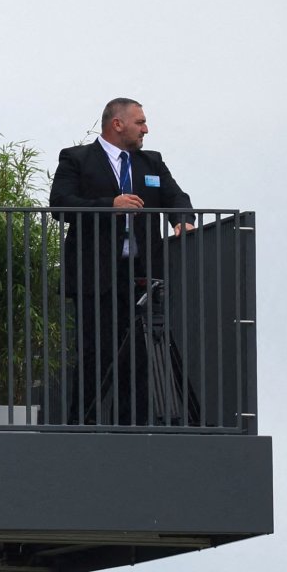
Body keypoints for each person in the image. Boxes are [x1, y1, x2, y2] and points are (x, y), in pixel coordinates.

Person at [50, 97, 194, 425]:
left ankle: (132, 430)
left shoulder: (151, 162)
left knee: (139, 359)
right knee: (94, 355)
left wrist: (182, 218)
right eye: (140, 122)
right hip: (95, 278)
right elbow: (60, 204)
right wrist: (109, 204)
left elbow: (175, 195)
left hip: (141, 277)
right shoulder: (77, 158)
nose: (146, 128)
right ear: (118, 124)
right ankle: (80, 428)